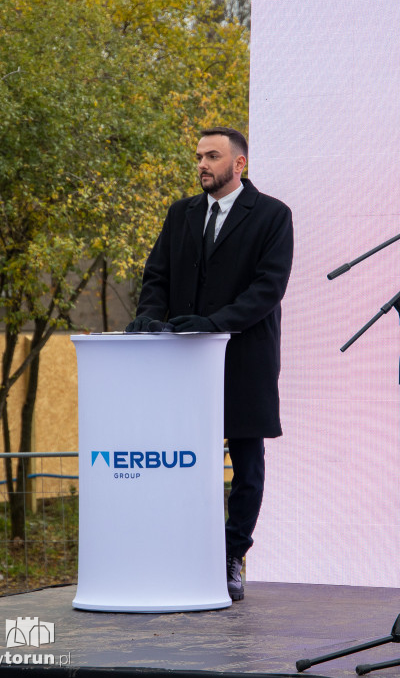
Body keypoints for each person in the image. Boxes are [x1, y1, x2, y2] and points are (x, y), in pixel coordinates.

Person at [126, 127, 294, 602]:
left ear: (239, 164)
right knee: (181, 460)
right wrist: (148, 320)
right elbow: (157, 274)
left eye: (212, 156)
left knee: (247, 464)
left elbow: (268, 289)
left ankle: (230, 556)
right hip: (180, 361)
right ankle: (181, 551)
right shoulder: (181, 214)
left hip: (243, 358)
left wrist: (212, 324)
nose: (201, 164)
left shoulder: (272, 215)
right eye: (199, 156)